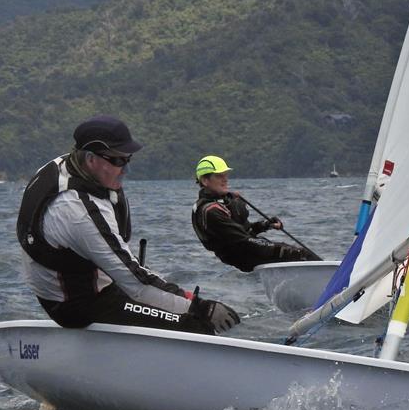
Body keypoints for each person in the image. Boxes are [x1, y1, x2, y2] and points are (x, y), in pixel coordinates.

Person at [17, 115, 239, 335]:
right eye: (117, 161)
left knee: (169, 300)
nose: (125, 169)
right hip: (76, 305)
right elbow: (136, 284)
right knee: (194, 323)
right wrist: (200, 307)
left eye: (127, 159)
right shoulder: (79, 213)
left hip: (80, 283)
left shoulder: (63, 165)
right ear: (92, 159)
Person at [191, 155, 320, 272]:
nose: (225, 179)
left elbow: (245, 231)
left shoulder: (215, 204)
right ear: (205, 181)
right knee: (301, 254)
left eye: (225, 175)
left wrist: (265, 225)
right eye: (219, 176)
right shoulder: (212, 212)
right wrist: (278, 249)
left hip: (245, 253)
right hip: (246, 255)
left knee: (292, 251)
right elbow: (244, 241)